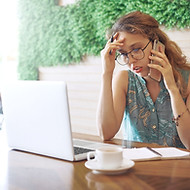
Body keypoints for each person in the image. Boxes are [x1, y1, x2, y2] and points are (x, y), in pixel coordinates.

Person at [96, 11, 190, 149]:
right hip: (134, 167)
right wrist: (107, 73)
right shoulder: (124, 80)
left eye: (136, 49)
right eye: (123, 54)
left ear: (157, 44)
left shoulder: (187, 78)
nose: (131, 59)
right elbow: (105, 134)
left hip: (176, 169)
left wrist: (172, 89)